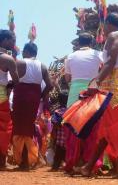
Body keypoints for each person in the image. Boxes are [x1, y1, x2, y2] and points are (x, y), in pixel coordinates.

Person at [79, 12, 118, 179]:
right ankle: (89, 166)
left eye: (104, 25)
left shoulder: (114, 36)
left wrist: (97, 82)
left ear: (108, 24)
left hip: (114, 88)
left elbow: (111, 62)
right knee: (108, 129)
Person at [63, 32, 103, 173]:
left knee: (74, 130)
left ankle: (71, 163)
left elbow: (67, 78)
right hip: (92, 91)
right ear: (92, 42)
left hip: (74, 93)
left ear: (78, 43)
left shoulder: (70, 56)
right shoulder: (98, 54)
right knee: (93, 128)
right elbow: (104, 70)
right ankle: (92, 164)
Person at [12, 42, 52, 170]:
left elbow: (12, 80)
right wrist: (40, 95)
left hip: (20, 96)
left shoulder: (20, 63)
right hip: (34, 98)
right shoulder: (43, 66)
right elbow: (50, 85)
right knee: (28, 129)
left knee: (19, 129)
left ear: (26, 51)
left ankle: (25, 161)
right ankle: (32, 159)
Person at [0, 30, 19, 169]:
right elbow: (16, 80)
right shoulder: (7, 59)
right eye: (12, 39)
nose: (14, 43)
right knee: (4, 128)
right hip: (1, 95)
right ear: (5, 40)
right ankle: (1, 162)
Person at [50, 91, 68, 171]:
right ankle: (68, 166)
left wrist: (53, 134)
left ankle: (55, 167)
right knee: (67, 154)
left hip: (60, 138)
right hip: (68, 138)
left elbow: (54, 123)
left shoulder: (57, 112)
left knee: (58, 154)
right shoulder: (70, 110)